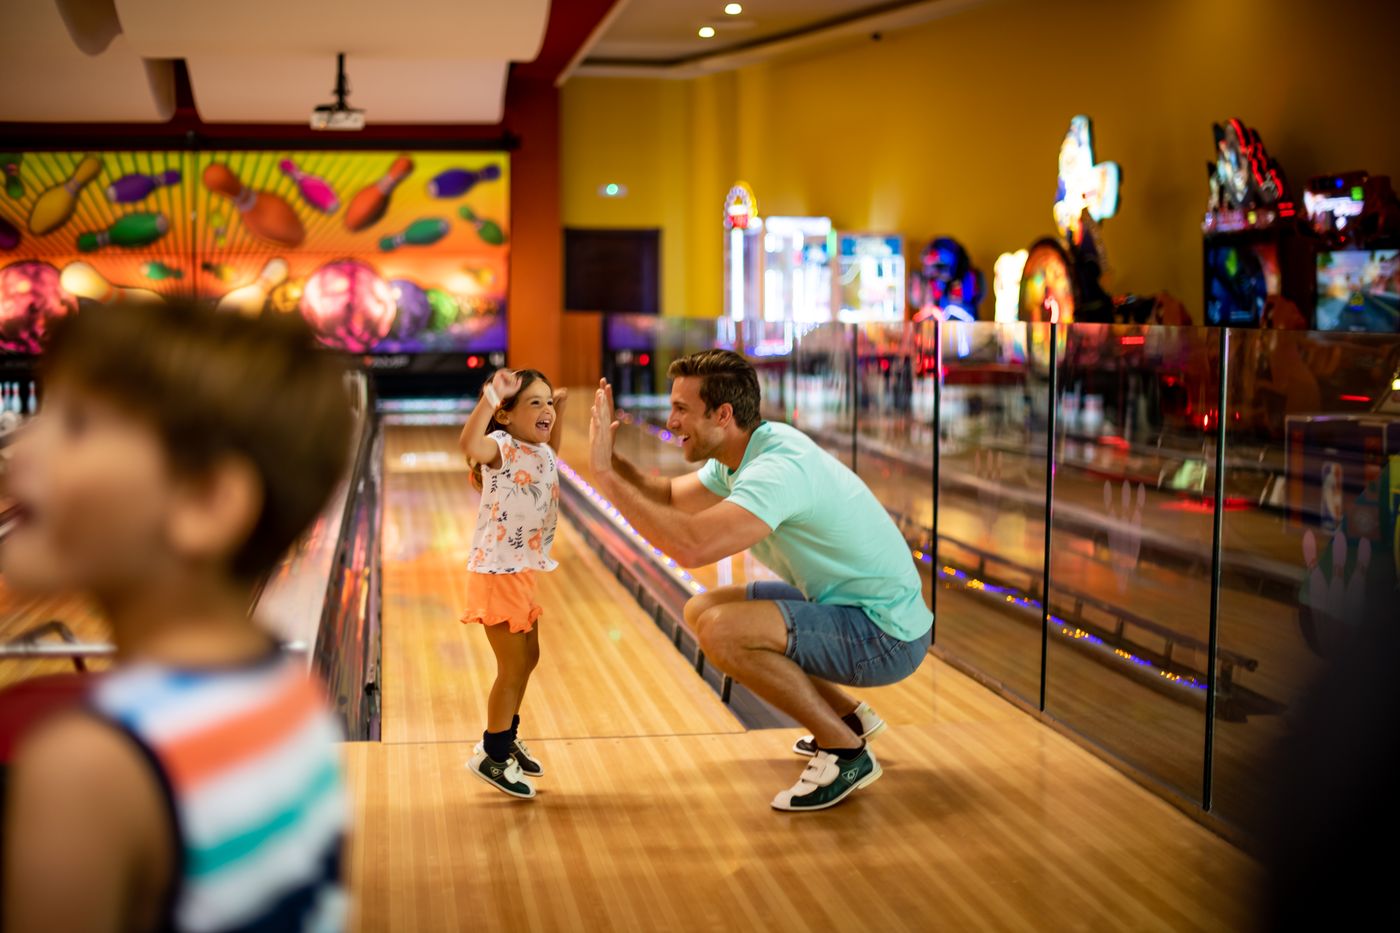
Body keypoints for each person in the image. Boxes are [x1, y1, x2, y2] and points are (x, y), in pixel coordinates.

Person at [1, 301, 352, 931]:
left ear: (205, 503)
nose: (19, 450)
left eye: (76, 423)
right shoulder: (286, 687)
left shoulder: (86, 768)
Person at [588, 350, 932, 812]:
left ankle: (846, 752)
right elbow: (669, 497)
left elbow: (691, 547)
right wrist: (609, 460)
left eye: (681, 410)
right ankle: (848, 717)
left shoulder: (775, 471)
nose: (671, 422)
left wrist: (605, 479)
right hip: (848, 607)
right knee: (701, 610)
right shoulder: (747, 450)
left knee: (724, 632)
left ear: (723, 414)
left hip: (885, 633)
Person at [458, 368, 566, 799]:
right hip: (496, 573)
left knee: (530, 658)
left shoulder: (539, 450)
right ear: (505, 416)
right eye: (534, 403)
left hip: (522, 569)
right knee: (512, 667)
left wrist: (565, 404)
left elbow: (549, 455)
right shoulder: (501, 448)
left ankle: (507, 734)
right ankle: (493, 755)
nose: (546, 411)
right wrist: (490, 396)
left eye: (549, 403)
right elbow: (469, 444)